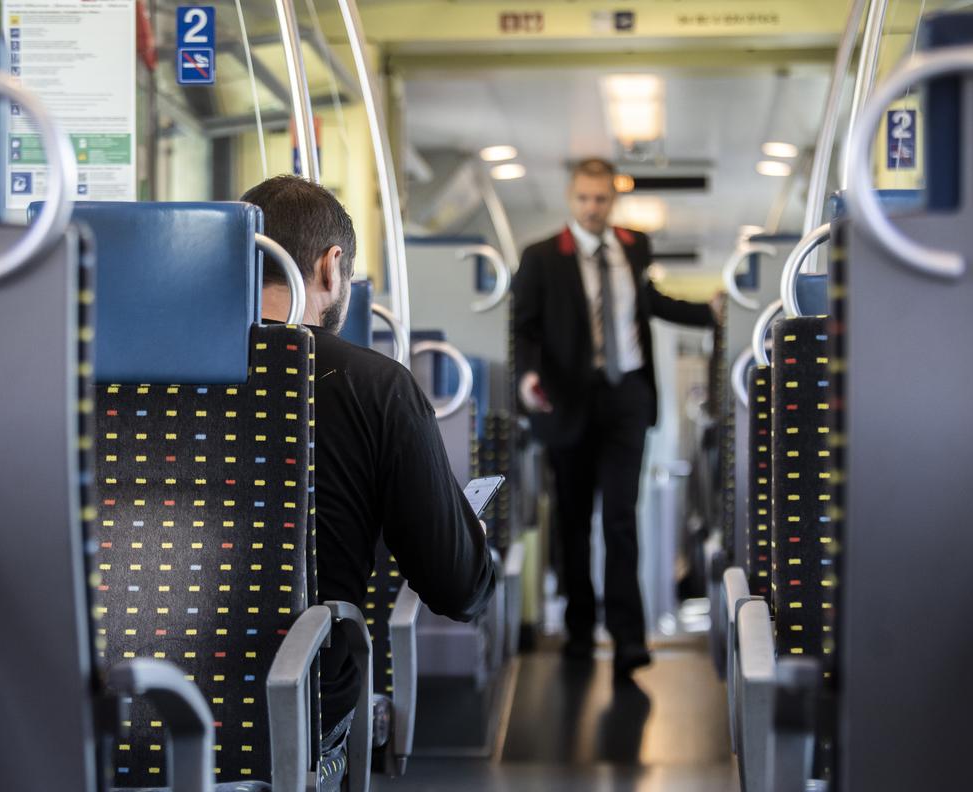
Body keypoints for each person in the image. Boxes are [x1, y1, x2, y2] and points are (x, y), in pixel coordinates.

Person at [241, 175, 499, 778]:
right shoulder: (375, 386)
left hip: (120, 706)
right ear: (332, 269)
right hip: (294, 710)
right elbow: (458, 586)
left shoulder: (137, 376)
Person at [511, 158, 721, 682]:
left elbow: (647, 302)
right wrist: (528, 379)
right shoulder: (541, 258)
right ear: (570, 198)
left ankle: (629, 639)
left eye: (601, 198)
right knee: (574, 521)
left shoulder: (633, 246)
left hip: (626, 396)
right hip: (568, 401)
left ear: (613, 198)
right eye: (584, 198)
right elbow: (525, 329)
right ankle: (581, 634)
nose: (593, 207)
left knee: (621, 519)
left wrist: (708, 313)